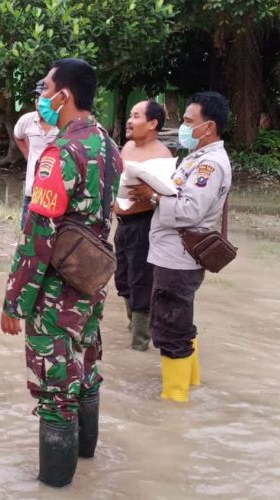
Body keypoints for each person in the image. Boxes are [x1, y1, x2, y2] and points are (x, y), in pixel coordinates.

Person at [0, 59, 122, 487]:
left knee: (55, 389)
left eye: (44, 88)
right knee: (86, 369)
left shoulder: (61, 152)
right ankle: (86, 458)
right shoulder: (107, 145)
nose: (41, 97)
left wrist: (15, 302)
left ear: (63, 95)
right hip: (91, 282)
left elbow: (38, 235)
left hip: (56, 291)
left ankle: (56, 484)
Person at [128, 92, 232, 403]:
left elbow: (189, 211)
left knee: (171, 329)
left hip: (179, 258)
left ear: (209, 127)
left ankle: (174, 402)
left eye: (189, 122)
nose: (183, 127)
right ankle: (191, 386)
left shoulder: (209, 165)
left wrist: (154, 196)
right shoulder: (196, 157)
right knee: (180, 322)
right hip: (173, 254)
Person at [114, 100, 172, 351]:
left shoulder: (162, 155)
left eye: (135, 116)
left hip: (144, 225)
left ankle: (140, 341)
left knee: (141, 281)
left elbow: (169, 196)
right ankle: (136, 325)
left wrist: (150, 193)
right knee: (123, 278)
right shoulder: (127, 146)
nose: (129, 120)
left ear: (152, 123)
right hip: (122, 223)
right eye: (130, 115)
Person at [14, 79, 59, 230]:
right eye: (36, 98)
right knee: (27, 234)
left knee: (52, 236)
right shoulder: (26, 121)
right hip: (32, 190)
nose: (39, 102)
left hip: (55, 192)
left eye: (43, 98)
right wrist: (28, 155)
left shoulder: (63, 124)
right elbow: (18, 136)